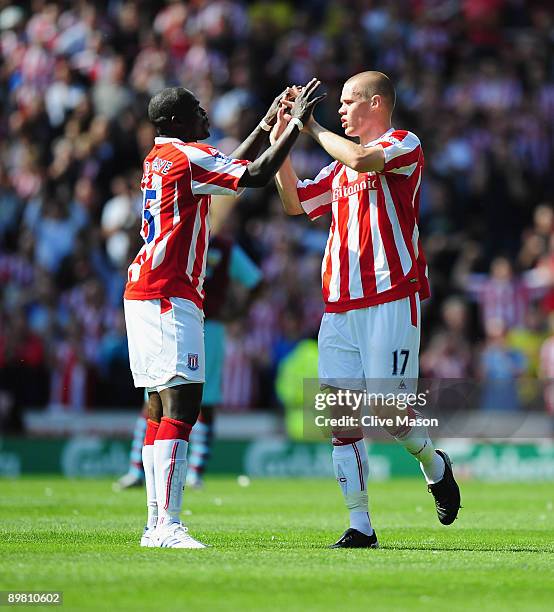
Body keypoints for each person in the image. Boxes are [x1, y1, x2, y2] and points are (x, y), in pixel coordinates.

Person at [124, 81, 324, 549]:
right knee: (183, 406)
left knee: (158, 405)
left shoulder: (160, 158)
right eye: (197, 111)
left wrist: (264, 122)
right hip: (170, 294)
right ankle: (168, 526)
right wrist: (294, 125)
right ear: (175, 121)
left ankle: (155, 523)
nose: (206, 116)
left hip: (147, 290)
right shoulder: (187, 159)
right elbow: (254, 175)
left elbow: (231, 164)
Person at [272, 71, 461, 548]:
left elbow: (361, 159)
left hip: (390, 296)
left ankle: (435, 465)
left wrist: (310, 127)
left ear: (376, 104)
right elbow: (294, 202)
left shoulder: (403, 143)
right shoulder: (335, 173)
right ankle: (360, 526)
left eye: (348, 101)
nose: (340, 109)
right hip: (338, 306)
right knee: (342, 420)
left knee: (391, 415)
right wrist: (283, 144)